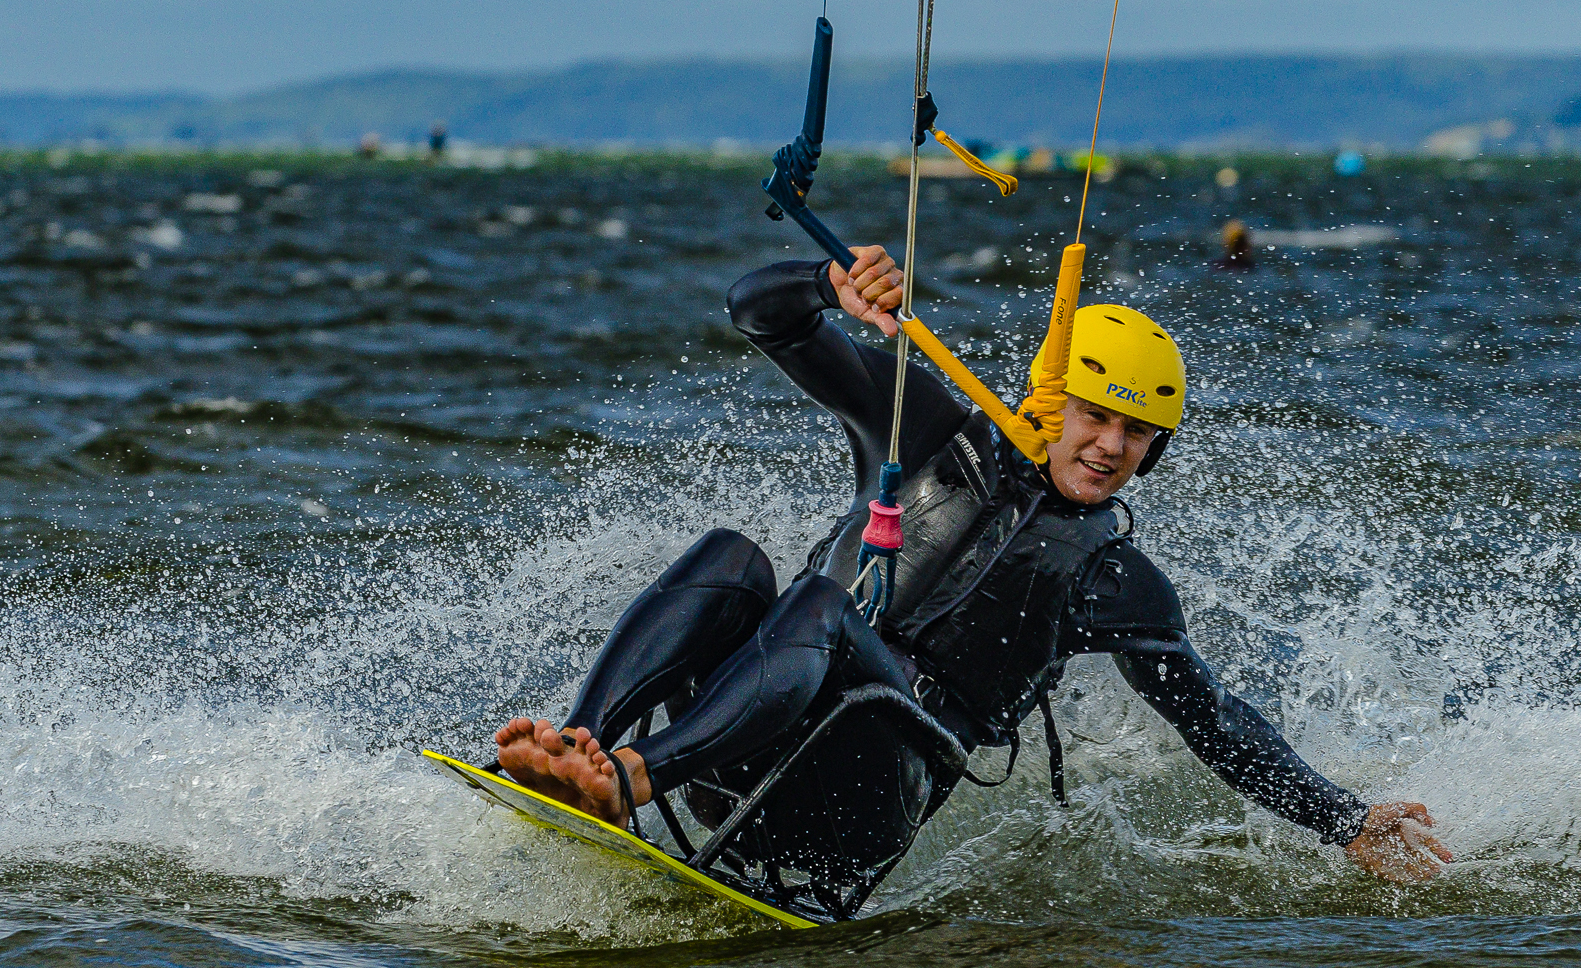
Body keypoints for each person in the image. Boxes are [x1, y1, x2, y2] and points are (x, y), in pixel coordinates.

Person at [496, 246, 1452, 885]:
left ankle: (627, 776)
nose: (1110, 445)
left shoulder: (1114, 578)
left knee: (826, 612)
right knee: (733, 560)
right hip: (734, 740)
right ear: (1058, 399)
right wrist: (832, 285)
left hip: (868, 792)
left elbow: (1215, 722)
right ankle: (576, 754)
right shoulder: (928, 433)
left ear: (1153, 450)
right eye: (1095, 414)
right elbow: (759, 312)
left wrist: (1346, 819)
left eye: (1136, 433)